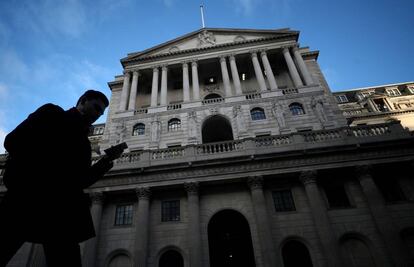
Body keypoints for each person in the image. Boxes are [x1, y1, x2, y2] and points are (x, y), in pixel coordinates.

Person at [0, 90, 124, 267]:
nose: (97, 114)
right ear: (82, 101)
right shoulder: (52, 113)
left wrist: (106, 160)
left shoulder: (84, 144)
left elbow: (82, 181)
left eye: (101, 112)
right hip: (27, 199)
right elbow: (12, 141)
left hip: (60, 212)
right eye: (96, 107)